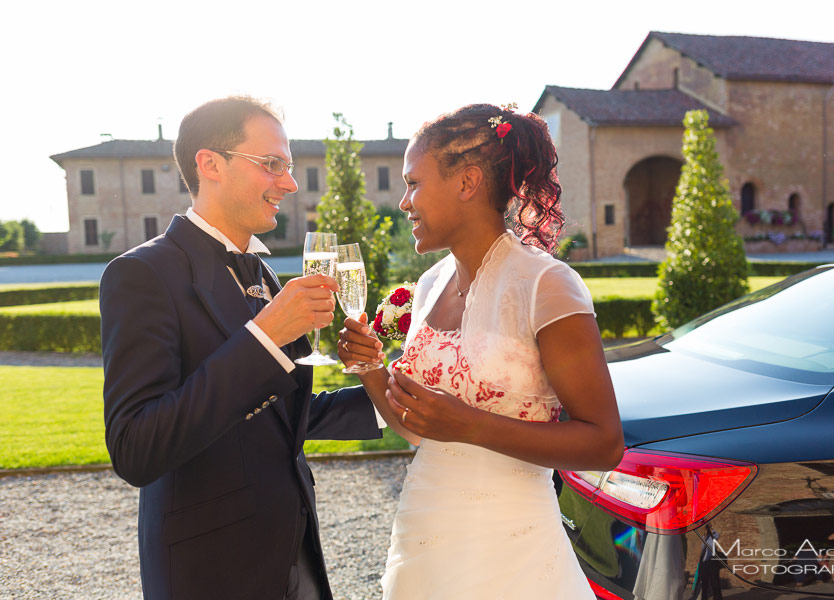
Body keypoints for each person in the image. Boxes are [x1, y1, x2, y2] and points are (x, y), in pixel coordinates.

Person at [100, 96, 383, 600]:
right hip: (210, 570)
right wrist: (265, 338)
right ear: (210, 164)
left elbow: (281, 415)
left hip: (295, 557)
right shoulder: (142, 274)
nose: (291, 184)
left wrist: (384, 391)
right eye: (272, 164)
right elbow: (135, 447)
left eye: (289, 167)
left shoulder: (267, 275)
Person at [338, 103, 624, 598]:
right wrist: (369, 367)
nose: (404, 202)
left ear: (467, 183)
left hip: (510, 553)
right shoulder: (429, 285)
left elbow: (604, 443)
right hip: (425, 539)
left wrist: (471, 425)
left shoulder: (546, 285)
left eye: (414, 183)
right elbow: (415, 431)